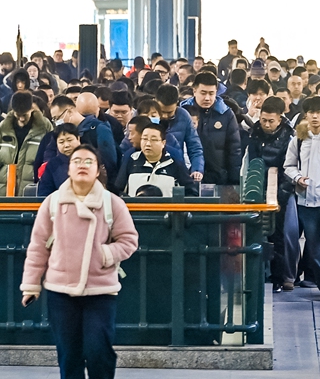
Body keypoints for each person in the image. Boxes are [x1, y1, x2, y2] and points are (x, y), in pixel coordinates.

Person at [21, 144, 139, 379]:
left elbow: (129, 240)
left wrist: (105, 255)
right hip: (60, 290)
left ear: (97, 170)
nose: (82, 166)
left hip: (100, 290)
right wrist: (31, 285)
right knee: (68, 353)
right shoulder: (52, 203)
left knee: (98, 350)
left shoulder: (112, 203)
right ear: (68, 169)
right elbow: (37, 247)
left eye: (88, 162)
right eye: (76, 161)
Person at [282, 95, 320, 302]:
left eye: (319, 112)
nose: (315, 116)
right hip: (306, 200)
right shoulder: (298, 139)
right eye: (311, 112)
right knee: (315, 248)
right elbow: (288, 166)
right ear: (305, 114)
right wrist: (298, 178)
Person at [244, 97, 296, 292]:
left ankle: (279, 276)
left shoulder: (289, 138)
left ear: (280, 119)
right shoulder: (254, 132)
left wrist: (280, 195)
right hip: (256, 188)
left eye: (271, 121)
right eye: (264, 119)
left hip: (279, 191)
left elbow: (289, 167)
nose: (266, 124)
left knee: (278, 234)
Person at [0, 92, 53, 196]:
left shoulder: (44, 128)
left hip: (31, 193)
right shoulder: (3, 128)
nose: (22, 119)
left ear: (32, 109)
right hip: (2, 192)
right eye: (18, 115)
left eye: (25, 115)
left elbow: (50, 160)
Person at [189, 72, 241, 185]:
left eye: (211, 93)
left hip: (219, 178)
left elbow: (234, 149)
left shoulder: (226, 114)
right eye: (203, 93)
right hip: (190, 177)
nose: (207, 98)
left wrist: (234, 180)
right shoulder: (184, 112)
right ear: (194, 91)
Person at [114, 123, 192, 197]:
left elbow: (191, 192)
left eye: (154, 140)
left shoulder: (175, 164)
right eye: (144, 139)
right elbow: (118, 191)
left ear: (163, 143)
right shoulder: (131, 161)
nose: (148, 144)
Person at [154, 85, 204, 182]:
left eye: (169, 112)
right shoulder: (145, 113)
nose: (165, 116)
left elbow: (195, 146)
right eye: (162, 111)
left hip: (175, 170)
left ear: (177, 104)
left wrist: (197, 169)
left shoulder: (184, 116)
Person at [37, 123, 81, 197]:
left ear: (78, 139)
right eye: (61, 142)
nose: (66, 145)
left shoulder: (90, 159)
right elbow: (44, 193)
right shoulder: (52, 165)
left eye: (69, 140)